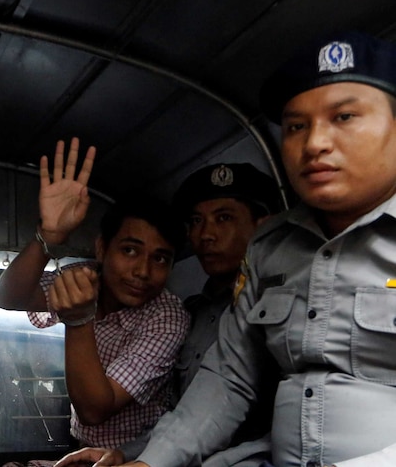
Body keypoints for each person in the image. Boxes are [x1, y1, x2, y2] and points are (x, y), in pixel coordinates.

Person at [117, 30, 396, 467]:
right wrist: (150, 464)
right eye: (296, 126)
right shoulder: (270, 247)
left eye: (344, 117)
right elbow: (230, 375)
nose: (314, 143)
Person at [55, 162, 281, 467]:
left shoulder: (275, 312)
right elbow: (182, 416)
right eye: (197, 221)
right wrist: (125, 454)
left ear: (262, 227)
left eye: (224, 218)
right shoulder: (194, 315)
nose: (206, 234)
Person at [0, 139, 190, 463]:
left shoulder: (167, 316)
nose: (142, 271)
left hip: (141, 456)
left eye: (160, 259)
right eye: (129, 250)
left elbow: (94, 410)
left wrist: (78, 319)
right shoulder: (86, 277)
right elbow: (10, 297)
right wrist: (49, 238)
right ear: (102, 249)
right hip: (81, 446)